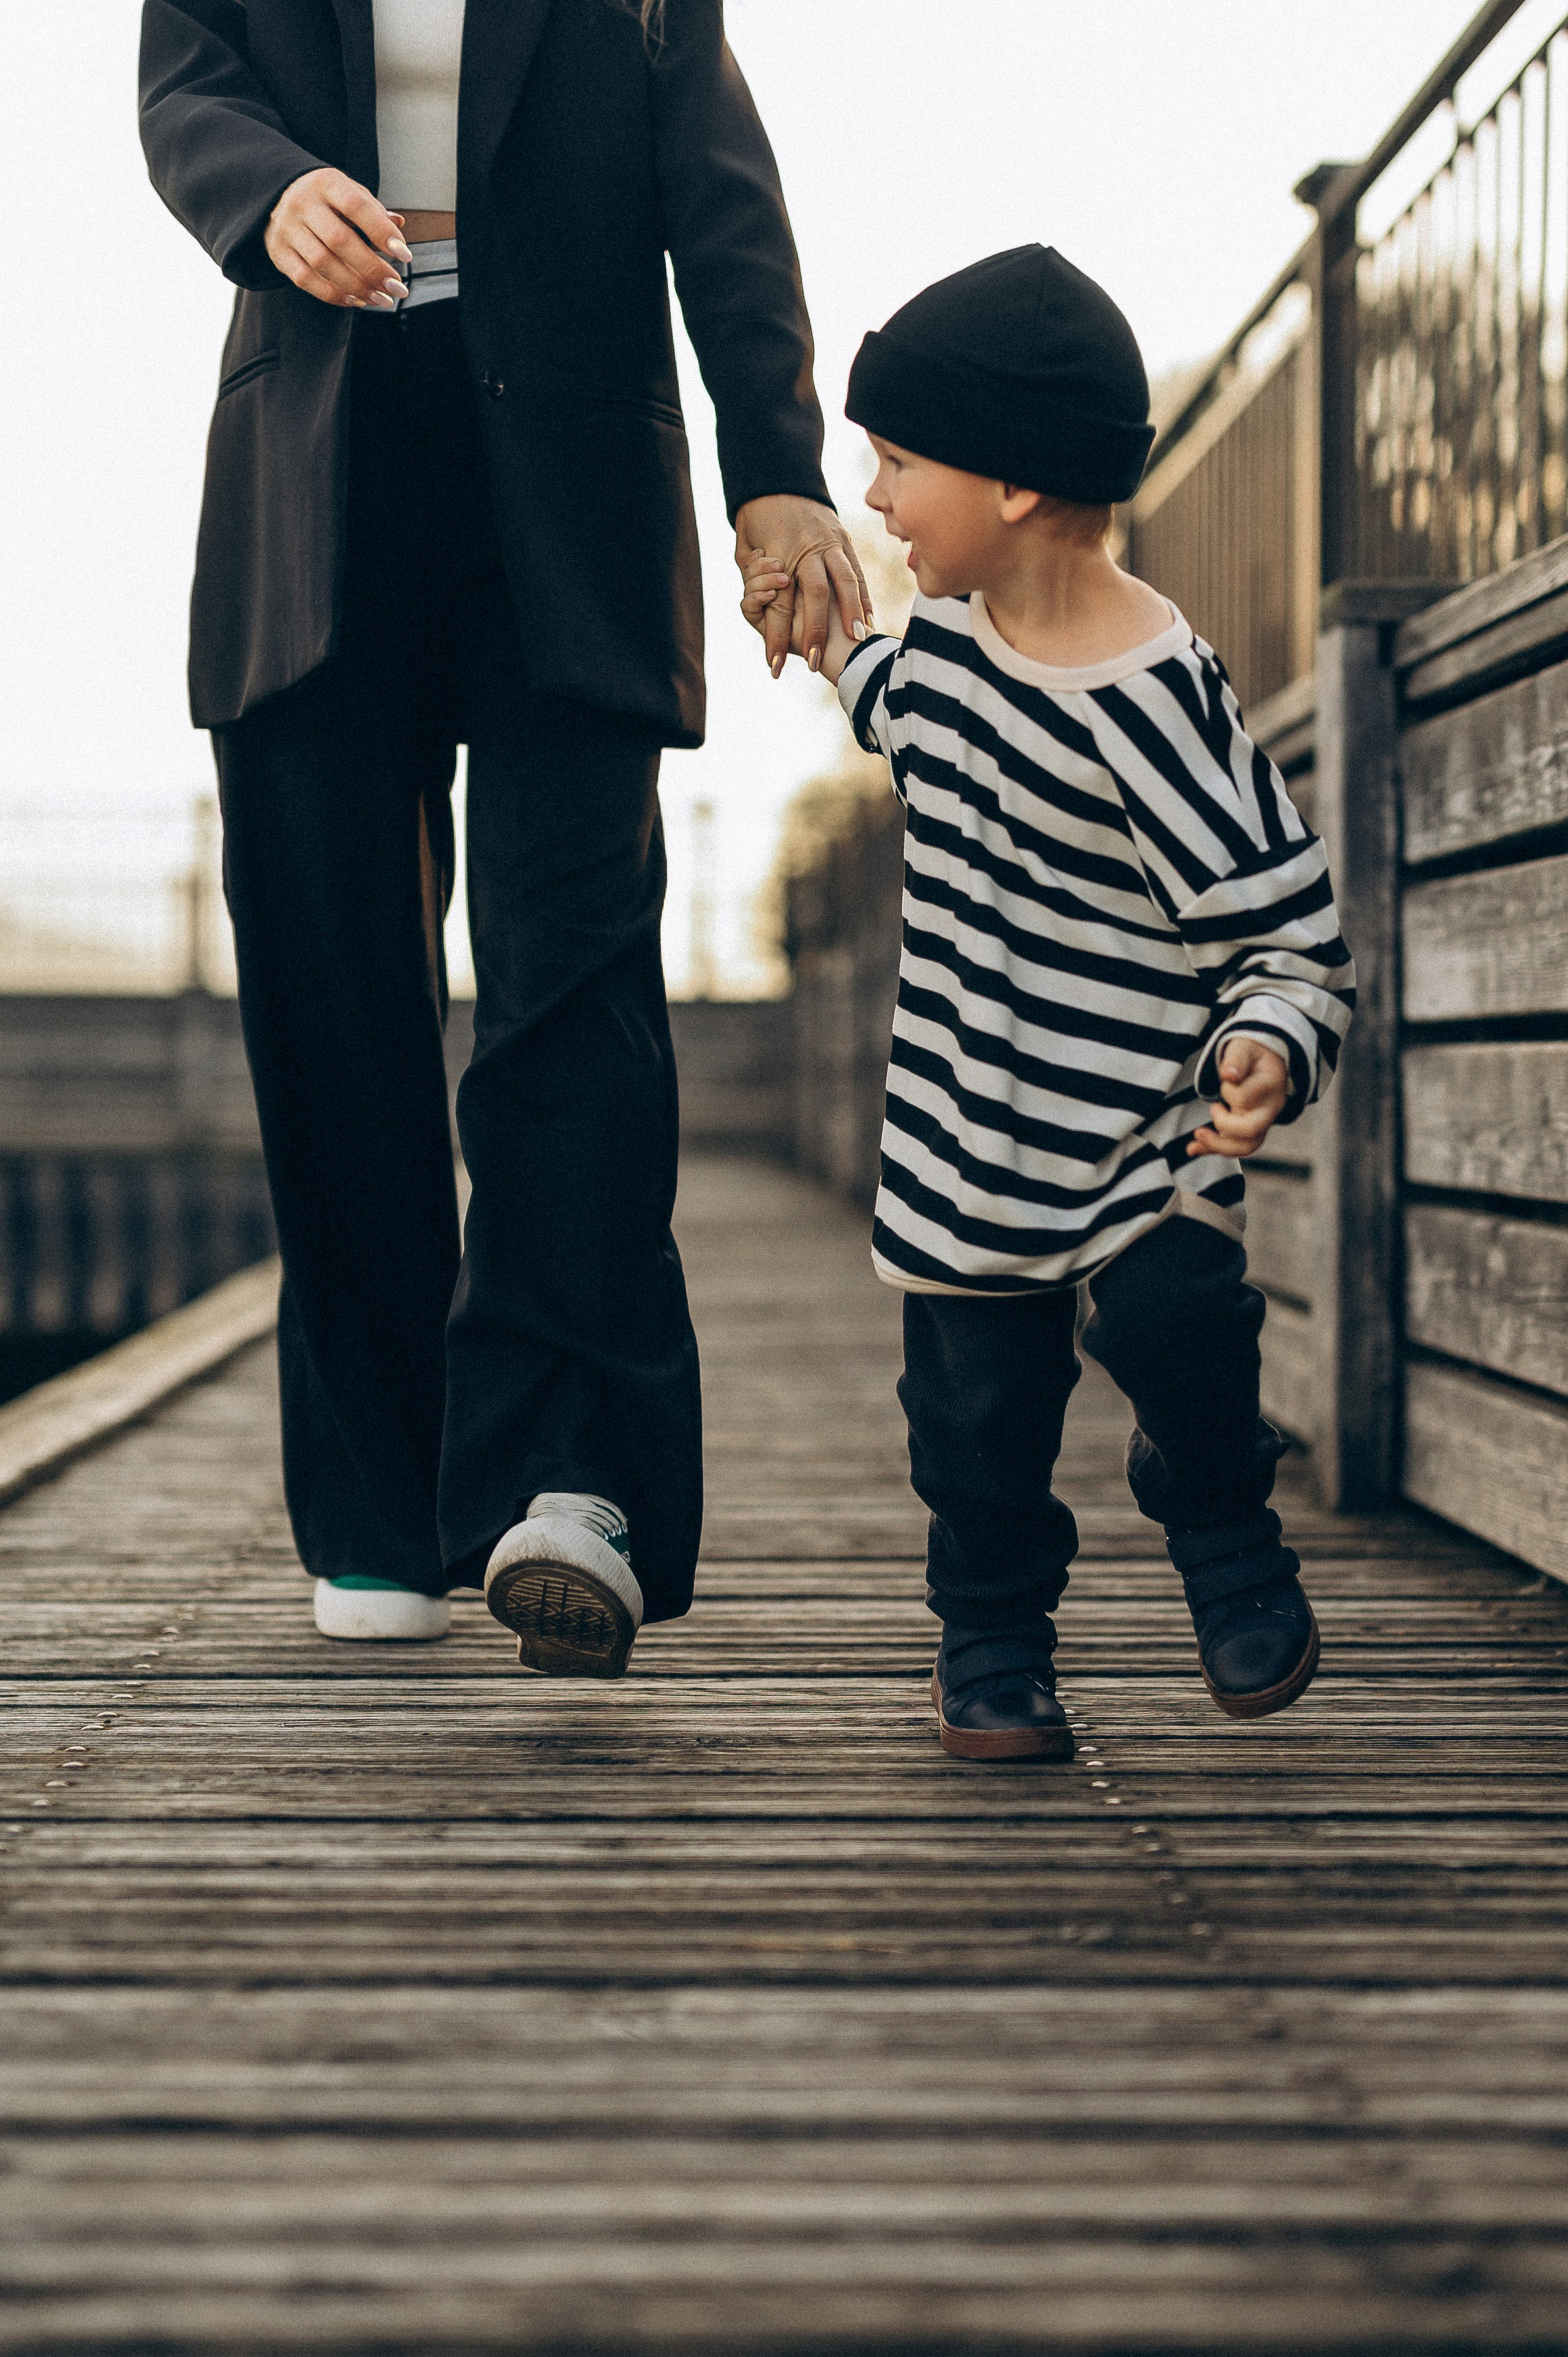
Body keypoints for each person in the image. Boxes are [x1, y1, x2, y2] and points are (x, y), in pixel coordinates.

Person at [138, 0, 869, 1675]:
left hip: (575, 494)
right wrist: (265, 194)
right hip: (313, 480)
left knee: (573, 986)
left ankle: (572, 1482)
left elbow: (722, 191)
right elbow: (186, 89)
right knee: (339, 1018)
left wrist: (778, 466)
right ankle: (381, 1507)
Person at [745, 246, 1354, 1760]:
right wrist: (814, 621)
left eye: (895, 465)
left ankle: (1225, 1543)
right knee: (974, 1423)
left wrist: (1270, 1036)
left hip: (1147, 1132)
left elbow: (1285, 922)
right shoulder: (941, 658)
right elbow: (880, 691)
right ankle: (994, 1646)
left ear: (1011, 486)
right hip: (968, 1136)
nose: (875, 501)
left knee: (1179, 1321)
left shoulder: (1159, 698)